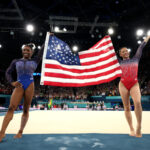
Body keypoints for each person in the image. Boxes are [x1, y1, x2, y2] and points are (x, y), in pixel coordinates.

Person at [0, 42, 44, 142]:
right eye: (24, 50)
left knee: (25, 110)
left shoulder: (35, 60)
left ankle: (20, 131)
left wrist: (47, 39)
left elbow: (41, 51)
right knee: (11, 108)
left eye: (28, 50)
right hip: (19, 84)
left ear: (32, 52)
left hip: (30, 84)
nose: (25, 52)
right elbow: (8, 72)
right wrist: (12, 82)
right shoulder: (16, 61)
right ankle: (2, 132)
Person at [118, 35, 150, 137]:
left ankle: (139, 126)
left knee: (137, 102)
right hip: (123, 84)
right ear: (120, 54)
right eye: (123, 51)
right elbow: (109, 55)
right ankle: (131, 128)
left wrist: (148, 37)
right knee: (126, 107)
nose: (125, 52)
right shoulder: (118, 62)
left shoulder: (136, 58)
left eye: (126, 50)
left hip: (134, 83)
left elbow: (141, 47)